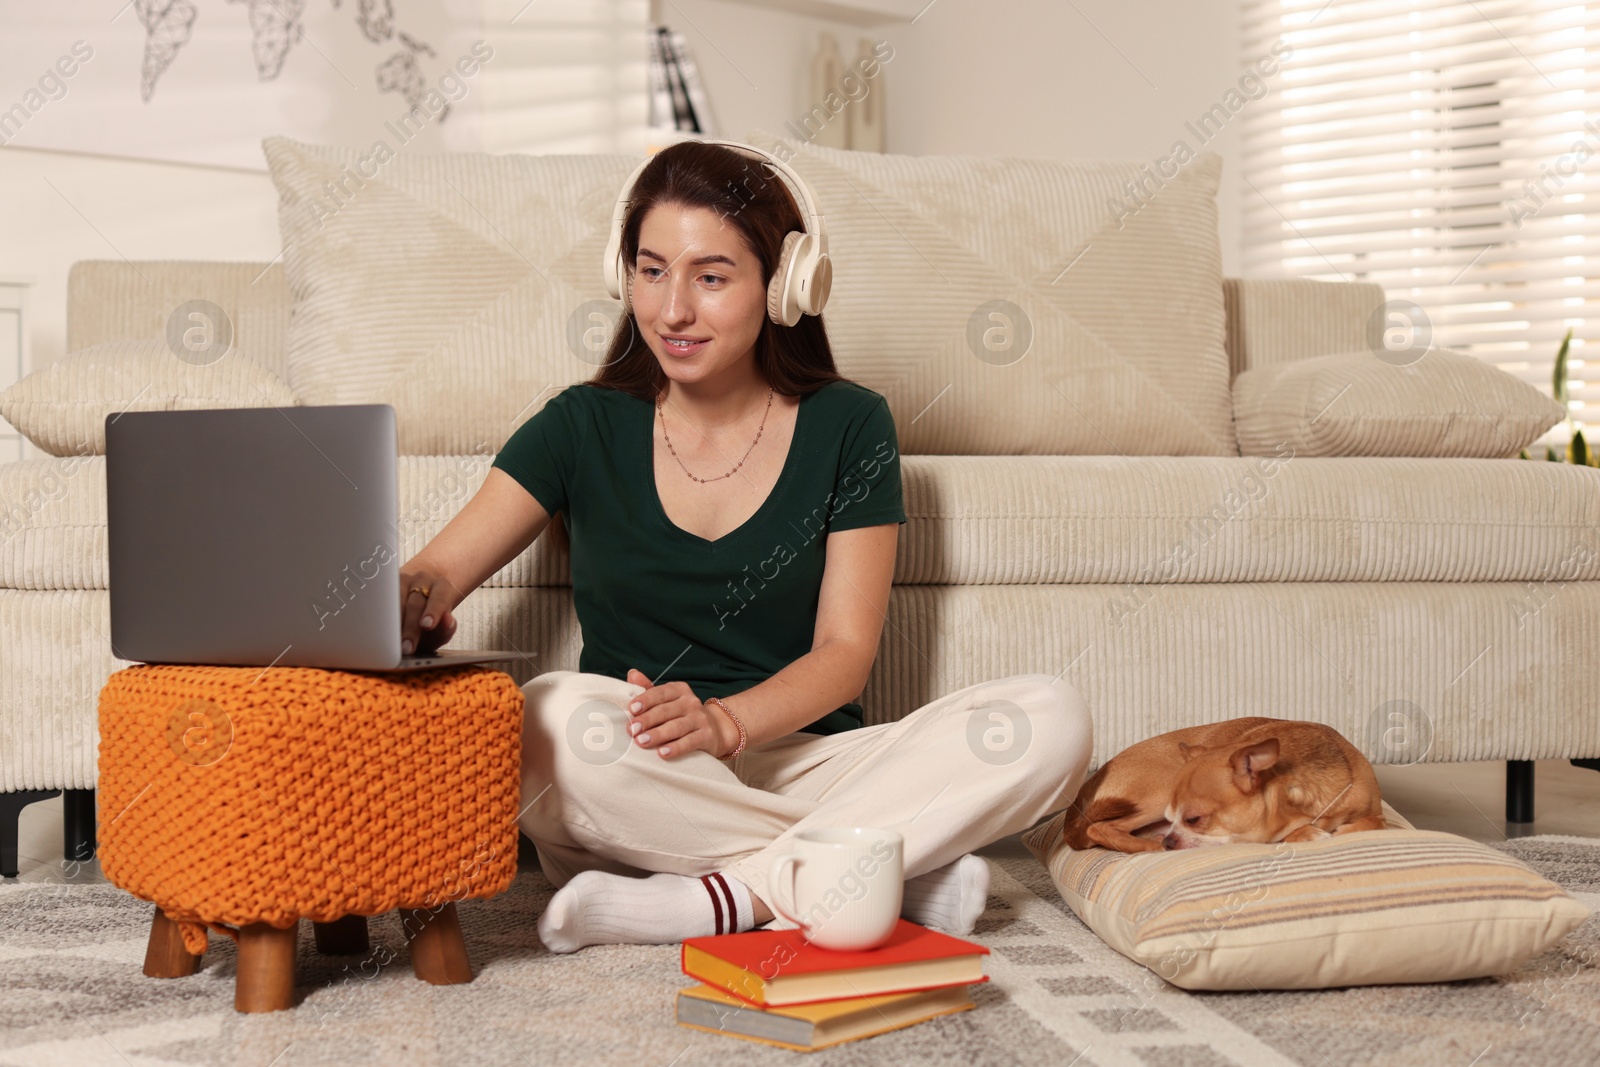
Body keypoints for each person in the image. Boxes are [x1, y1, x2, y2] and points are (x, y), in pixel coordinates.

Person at [397, 140, 1094, 953]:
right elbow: (438, 569)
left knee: (1050, 718)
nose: (671, 310)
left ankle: (717, 899)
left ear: (787, 284)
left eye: (712, 276)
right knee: (549, 717)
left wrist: (727, 723)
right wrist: (411, 599)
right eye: (651, 270)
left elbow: (844, 650)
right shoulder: (577, 424)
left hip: (803, 759)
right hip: (644, 769)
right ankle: (865, 871)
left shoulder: (851, 424)